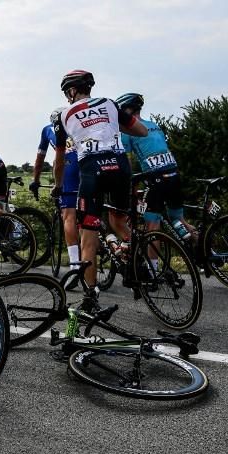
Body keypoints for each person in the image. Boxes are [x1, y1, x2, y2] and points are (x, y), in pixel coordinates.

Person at [51, 71, 148, 311]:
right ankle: (136, 259)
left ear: (72, 90)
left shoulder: (63, 115)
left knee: (89, 237)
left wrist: (58, 185)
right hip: (120, 168)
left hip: (92, 172)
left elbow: (59, 159)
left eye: (66, 92)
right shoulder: (110, 104)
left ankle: (90, 297)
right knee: (118, 218)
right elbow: (141, 131)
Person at [116, 93, 192, 239]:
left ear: (128, 110)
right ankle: (206, 250)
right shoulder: (154, 126)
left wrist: (131, 189)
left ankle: (153, 263)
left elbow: (127, 162)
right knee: (179, 219)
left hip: (156, 178)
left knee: (152, 224)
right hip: (174, 174)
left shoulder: (128, 131)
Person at [32, 119, 82, 275]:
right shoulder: (77, 123)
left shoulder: (48, 129)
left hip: (69, 164)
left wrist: (35, 180)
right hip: (89, 162)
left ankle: (75, 265)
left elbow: (40, 159)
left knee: (68, 216)